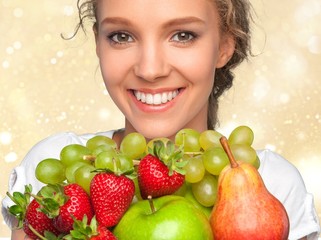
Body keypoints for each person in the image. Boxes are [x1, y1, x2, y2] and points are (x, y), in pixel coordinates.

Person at [2, 0, 320, 239]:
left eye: (182, 35)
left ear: (224, 45)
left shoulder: (273, 184)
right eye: (122, 36)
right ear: (98, 43)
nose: (150, 69)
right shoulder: (55, 167)